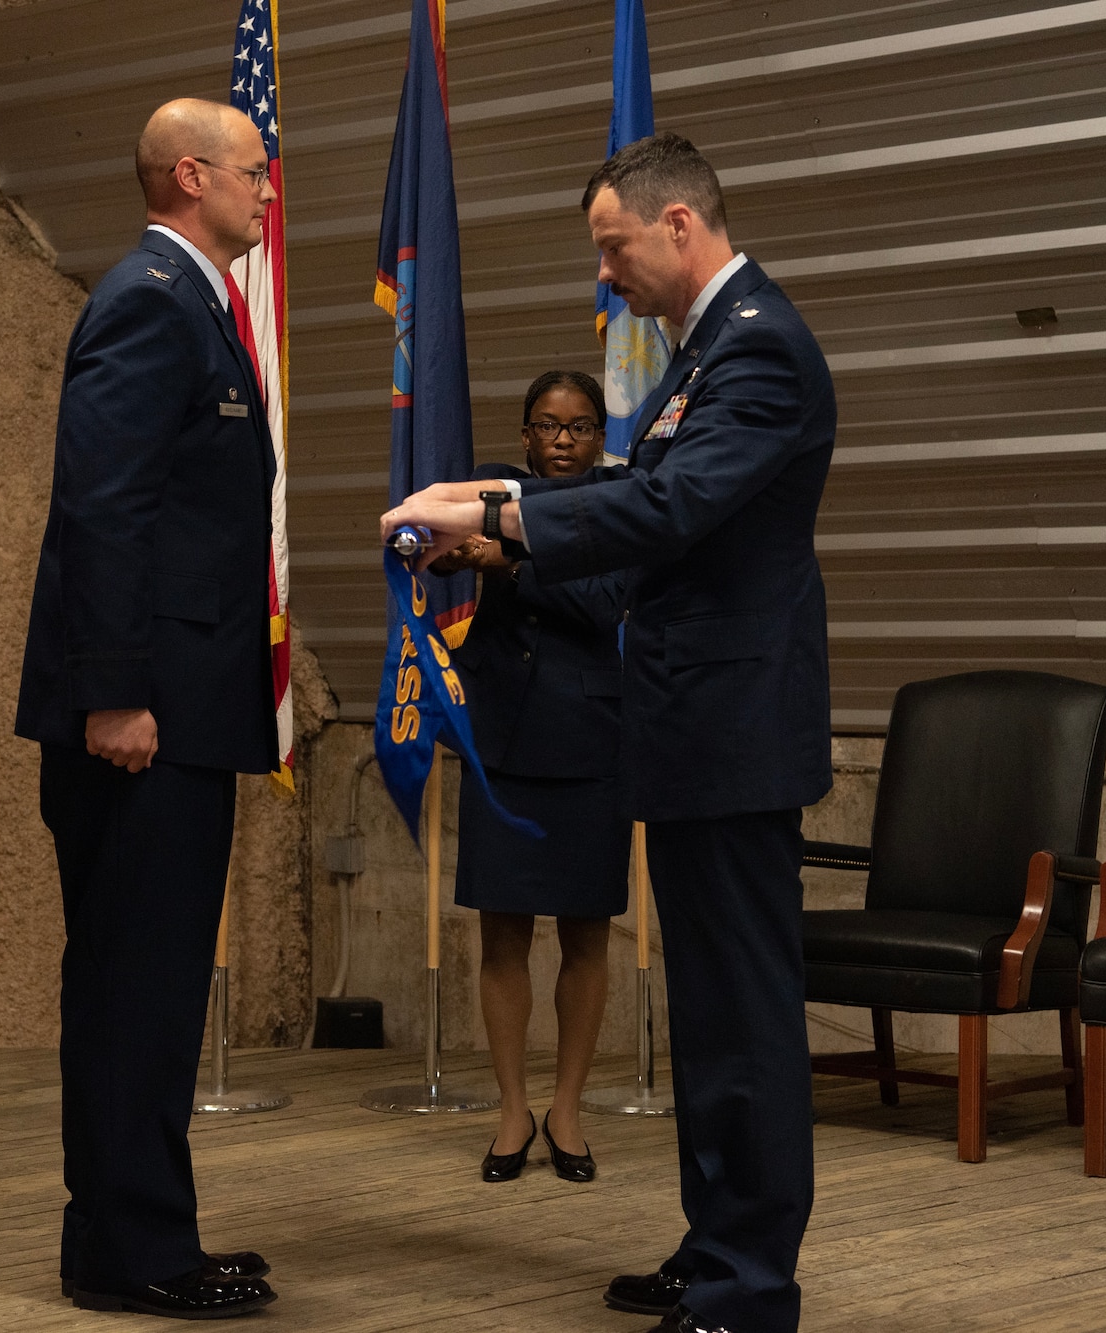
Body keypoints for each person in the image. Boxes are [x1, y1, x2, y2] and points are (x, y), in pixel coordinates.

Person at [381, 132, 835, 1333]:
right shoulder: (705, 355)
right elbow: (649, 507)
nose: (604, 276)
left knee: (741, 1012)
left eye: (612, 246)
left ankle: (750, 1286)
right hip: (689, 728)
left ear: (677, 224)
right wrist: (493, 527)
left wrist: (494, 506)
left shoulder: (762, 352)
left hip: (734, 732)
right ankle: (715, 1243)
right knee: (707, 1016)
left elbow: (670, 503)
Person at [14, 97, 282, 1321]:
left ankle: (139, 1234)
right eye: (253, 171)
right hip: (142, 719)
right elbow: (101, 510)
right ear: (191, 176)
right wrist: (113, 695)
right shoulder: (146, 301)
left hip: (182, 709)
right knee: (134, 984)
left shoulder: (195, 307)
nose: (267, 189)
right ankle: (131, 1252)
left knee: (157, 985)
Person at [432, 370, 630, 1185]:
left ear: (598, 439)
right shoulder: (490, 493)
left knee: (585, 936)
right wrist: (438, 546)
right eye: (546, 426)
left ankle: (568, 1110)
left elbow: (606, 602)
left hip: (591, 740)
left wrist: (511, 563)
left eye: (579, 427)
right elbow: (437, 540)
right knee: (502, 933)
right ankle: (513, 1111)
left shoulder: (626, 503)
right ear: (523, 435)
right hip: (502, 736)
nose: (561, 441)